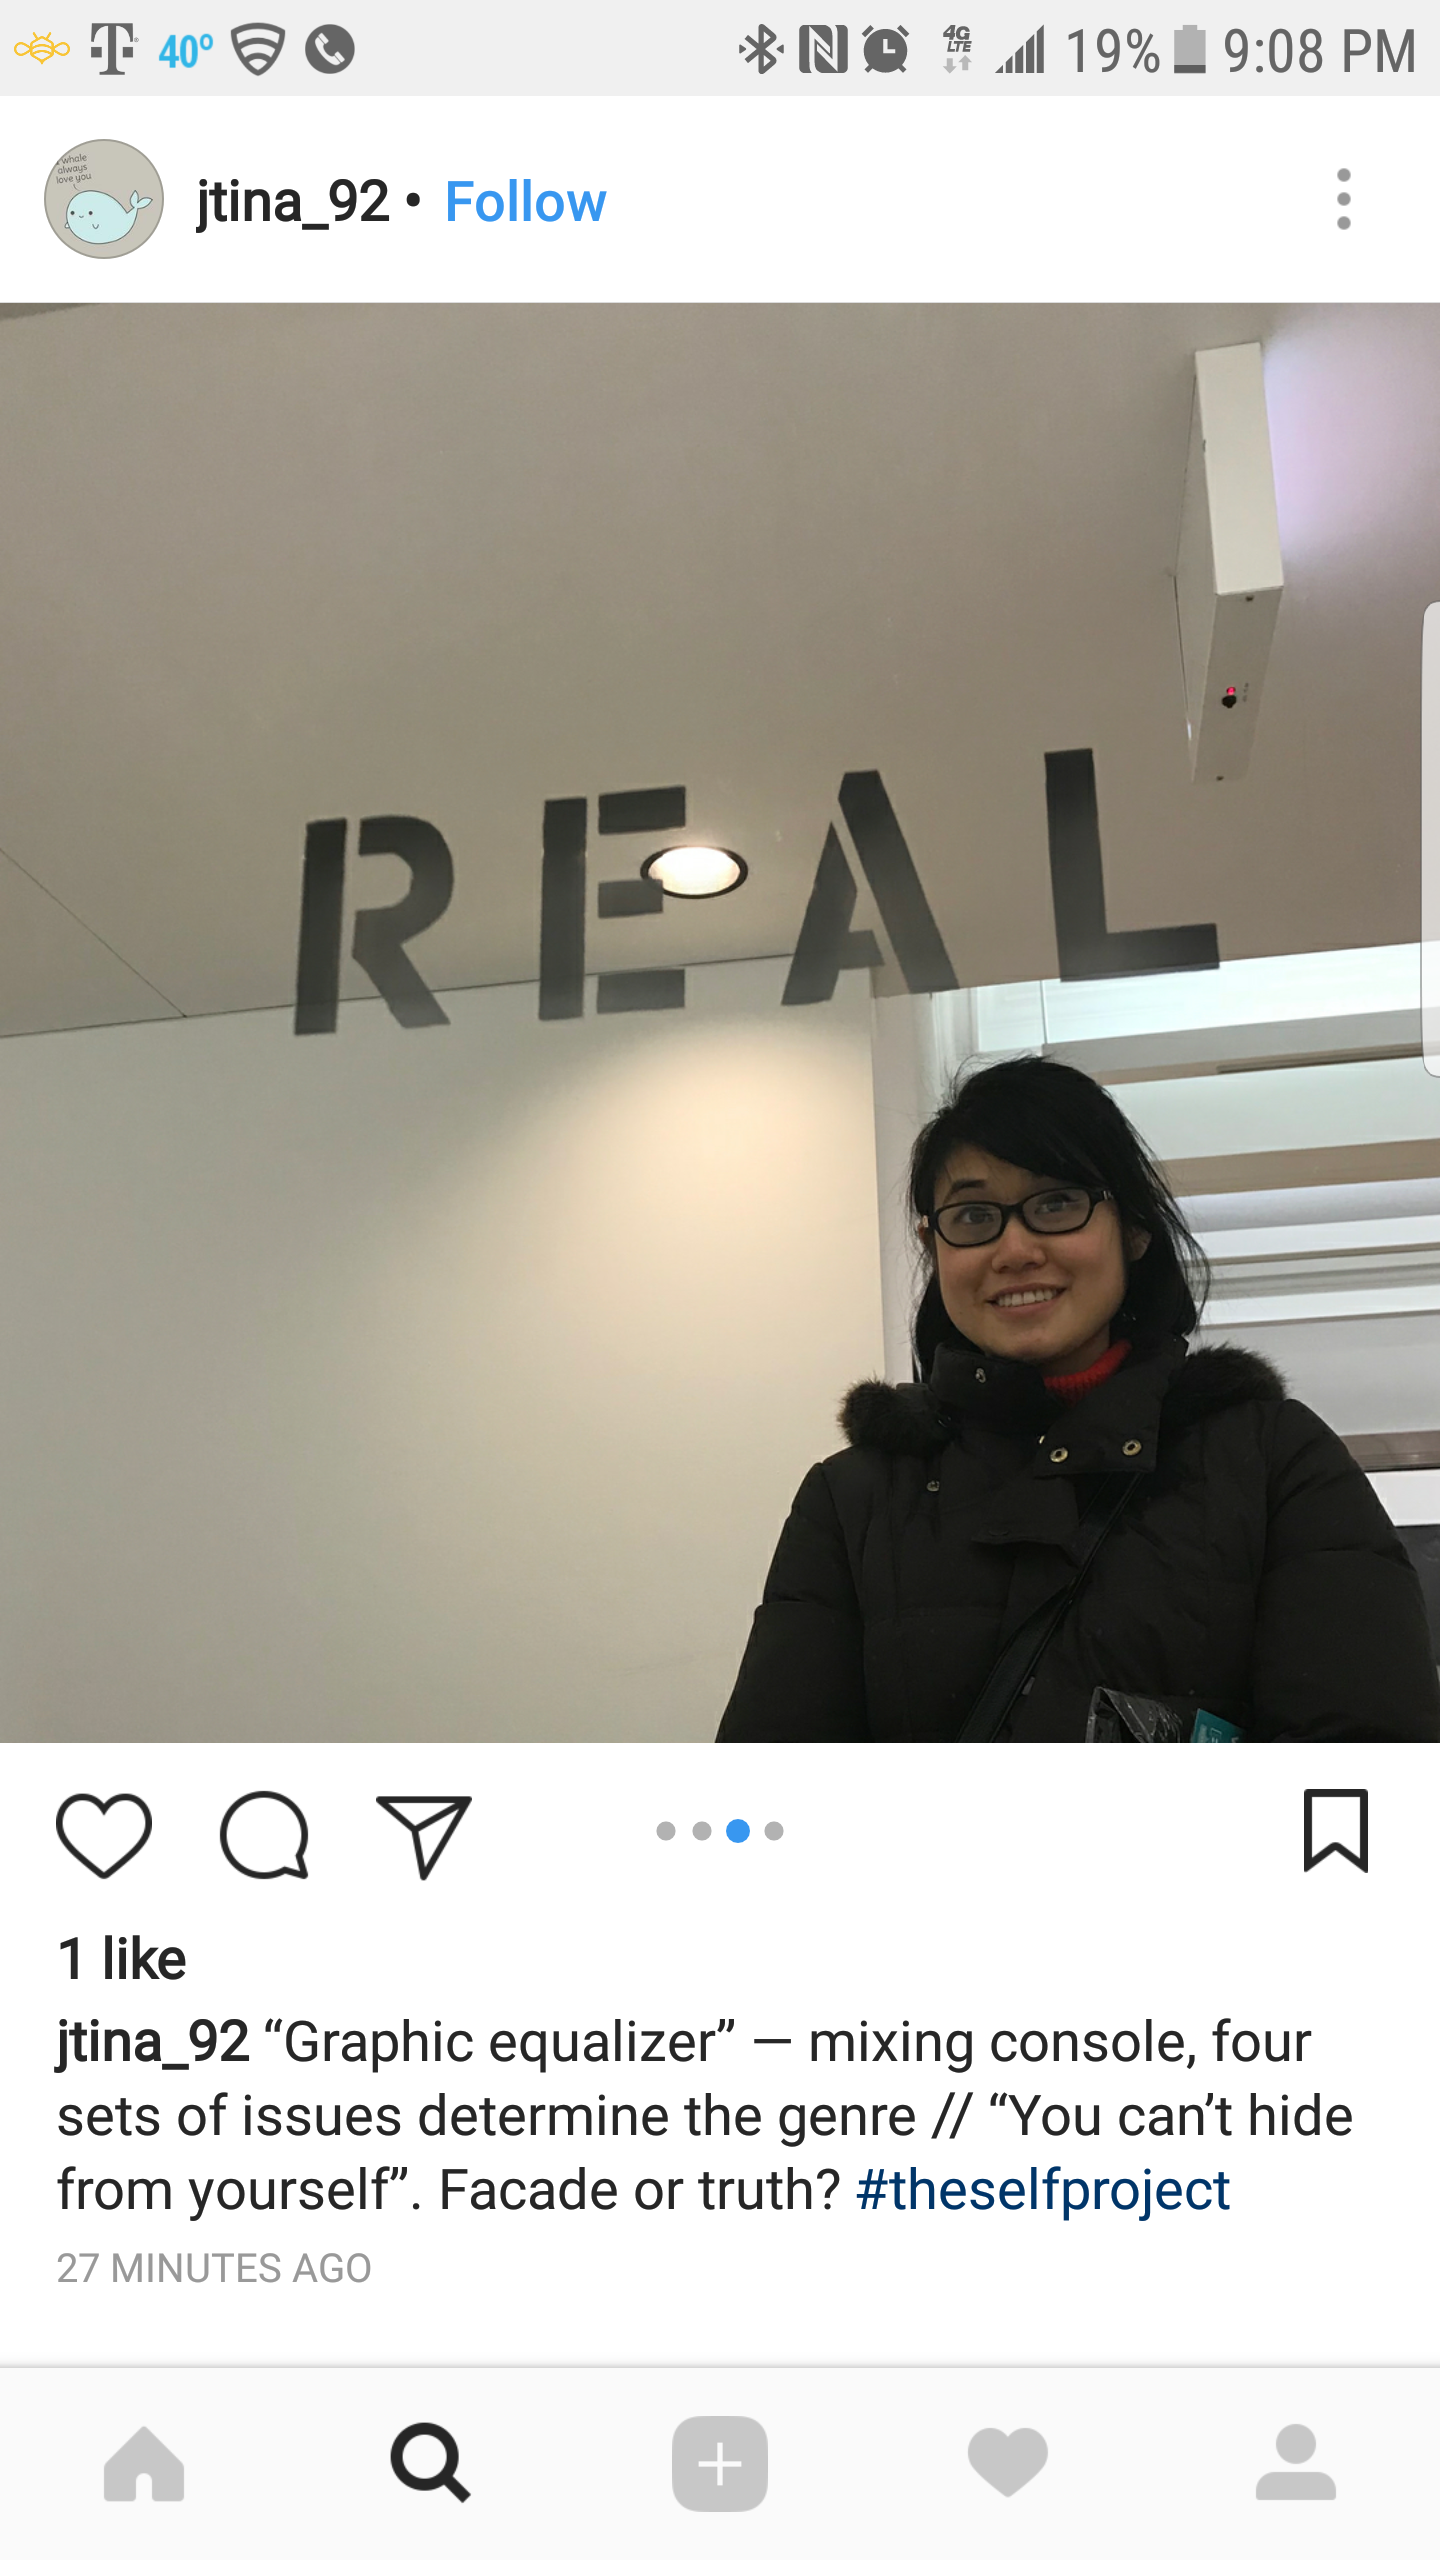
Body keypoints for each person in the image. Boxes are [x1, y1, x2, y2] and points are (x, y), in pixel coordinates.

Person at [718, 1054, 1439, 1743]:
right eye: (972, 1218)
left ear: (1131, 1227)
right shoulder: (853, 1501)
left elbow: (1363, 1768)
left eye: (1056, 1203)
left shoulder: (1272, 1460)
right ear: (931, 1246)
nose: (1015, 1249)